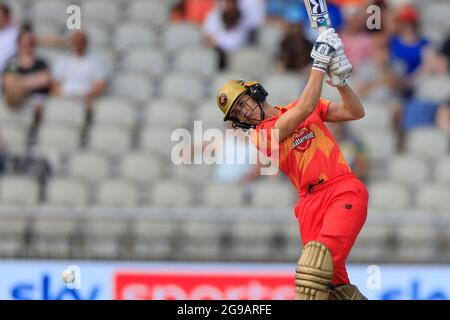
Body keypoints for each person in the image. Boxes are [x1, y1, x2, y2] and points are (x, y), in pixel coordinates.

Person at [216, 28, 369, 300]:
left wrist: (342, 82)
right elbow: (306, 107)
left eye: (244, 104)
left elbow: (355, 111)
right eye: (238, 113)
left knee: (314, 268)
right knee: (332, 286)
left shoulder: (302, 108)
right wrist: (320, 61)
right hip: (308, 204)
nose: (244, 113)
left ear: (257, 92)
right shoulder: (261, 135)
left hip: (341, 189)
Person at [2, 24, 51, 129]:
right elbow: (8, 82)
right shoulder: (14, 62)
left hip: (36, 103)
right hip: (16, 100)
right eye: (25, 42)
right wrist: (32, 81)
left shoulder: (40, 63)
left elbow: (44, 80)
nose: (28, 45)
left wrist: (19, 82)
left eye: (30, 42)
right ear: (19, 43)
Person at [51, 31, 106, 117]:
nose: (78, 44)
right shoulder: (62, 60)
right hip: (65, 98)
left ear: (86, 43)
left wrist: (88, 95)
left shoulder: (95, 61)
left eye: (81, 41)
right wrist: (61, 97)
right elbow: (55, 85)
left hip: (85, 99)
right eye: (76, 41)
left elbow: (100, 85)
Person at [203, 0, 252, 69]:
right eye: (228, 3)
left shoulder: (245, 21)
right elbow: (207, 39)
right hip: (217, 57)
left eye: (233, 4)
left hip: (236, 62)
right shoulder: (214, 15)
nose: (230, 7)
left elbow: (240, 46)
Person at [0, 3, 18, 74]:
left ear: (6, 17)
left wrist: (12, 74)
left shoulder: (14, 35)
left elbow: (15, 58)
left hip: (6, 75)